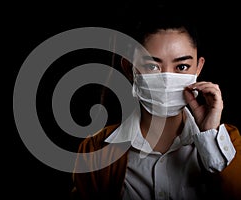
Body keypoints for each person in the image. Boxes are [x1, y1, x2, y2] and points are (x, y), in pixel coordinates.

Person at [70, 4, 241, 200]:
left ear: (198, 68)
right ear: (129, 69)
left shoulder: (230, 143)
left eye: (182, 66)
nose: (167, 78)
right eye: (152, 66)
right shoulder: (95, 150)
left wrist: (210, 136)